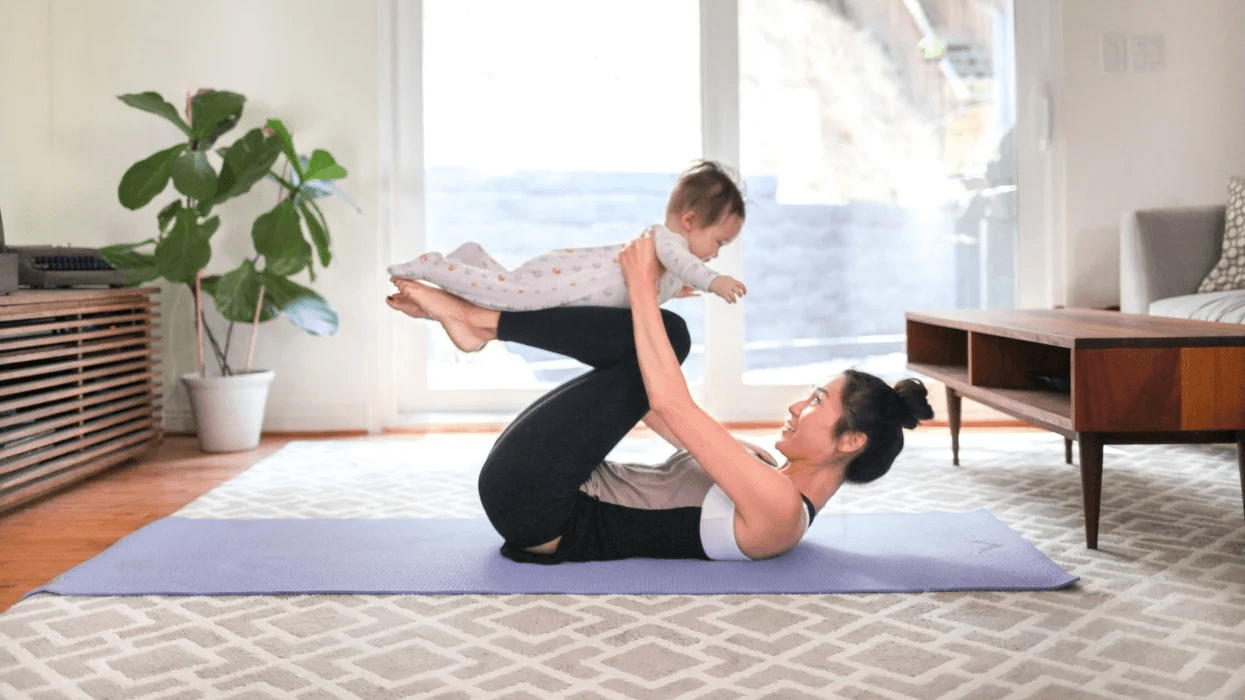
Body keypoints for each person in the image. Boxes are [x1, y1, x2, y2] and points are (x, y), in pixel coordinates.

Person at [386, 231, 934, 563]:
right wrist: (639, 305)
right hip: (544, 483)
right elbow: (654, 405)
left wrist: (644, 289)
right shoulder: (764, 468)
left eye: (817, 401)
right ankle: (483, 323)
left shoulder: (781, 513)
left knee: (668, 335)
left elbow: (672, 405)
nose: (796, 407)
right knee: (663, 339)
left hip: (541, 507)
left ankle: (483, 322)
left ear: (852, 440)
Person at [385, 160, 749, 311]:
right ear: (689, 219)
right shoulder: (667, 241)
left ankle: (471, 258)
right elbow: (682, 263)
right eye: (719, 242)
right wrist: (712, 282)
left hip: (564, 280)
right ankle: (433, 266)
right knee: (509, 296)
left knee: (505, 288)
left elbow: (653, 287)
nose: (716, 254)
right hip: (568, 277)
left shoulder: (672, 258)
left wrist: (678, 289)